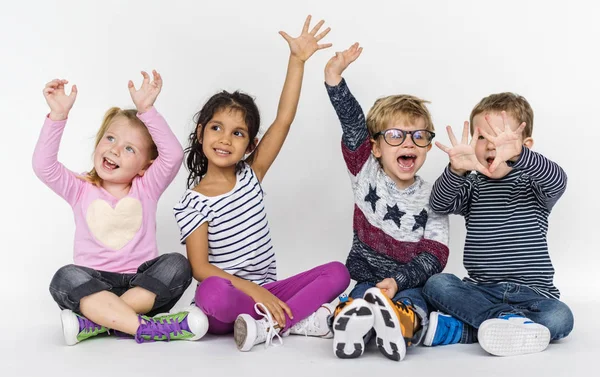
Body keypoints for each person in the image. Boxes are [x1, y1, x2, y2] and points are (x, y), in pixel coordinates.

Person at [173, 16, 350, 352]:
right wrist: (253, 292)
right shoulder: (193, 203)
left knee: (338, 273)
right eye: (216, 128)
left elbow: (284, 118)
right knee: (209, 292)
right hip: (234, 295)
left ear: (250, 145)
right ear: (200, 134)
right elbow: (200, 267)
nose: (225, 139)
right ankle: (292, 320)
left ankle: (268, 324)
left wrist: (297, 61)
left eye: (237, 133)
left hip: (271, 292)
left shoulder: (251, 175)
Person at [33, 71, 207, 345]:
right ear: (99, 141)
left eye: (130, 149)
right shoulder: (80, 188)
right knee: (64, 276)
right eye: (111, 139)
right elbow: (44, 166)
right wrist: (57, 116)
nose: (115, 150)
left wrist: (147, 110)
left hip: (142, 285)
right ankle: (146, 328)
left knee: (177, 263)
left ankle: (96, 322)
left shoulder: (147, 186)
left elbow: (173, 156)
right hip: (94, 286)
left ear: (146, 165)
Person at [423, 93, 574, 356]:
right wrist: (456, 170)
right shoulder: (472, 185)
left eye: (501, 137)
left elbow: (558, 180)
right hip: (479, 291)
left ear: (525, 145)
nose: (492, 145)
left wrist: (519, 156)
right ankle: (508, 322)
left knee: (560, 317)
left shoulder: (533, 184)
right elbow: (439, 203)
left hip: (533, 294)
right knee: (437, 284)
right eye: (483, 137)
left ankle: (469, 329)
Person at [324, 43, 449, 361]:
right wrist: (335, 79)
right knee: (358, 300)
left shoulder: (435, 197)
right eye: (396, 135)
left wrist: (399, 281)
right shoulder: (364, 169)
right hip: (366, 277)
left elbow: (434, 256)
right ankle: (349, 326)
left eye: (419, 136)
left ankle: (401, 326)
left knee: (415, 302)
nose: (409, 142)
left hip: (409, 281)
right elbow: (353, 124)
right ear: (376, 147)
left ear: (427, 147)